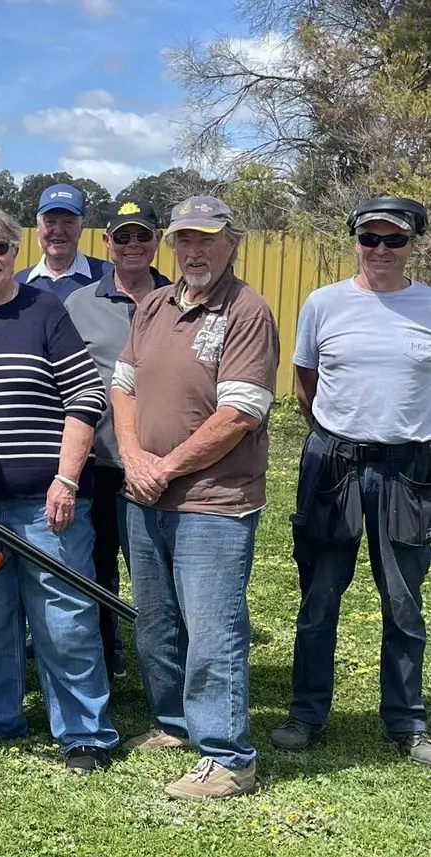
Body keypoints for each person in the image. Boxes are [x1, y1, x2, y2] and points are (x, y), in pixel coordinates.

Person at [0, 205, 118, 775]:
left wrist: (66, 479)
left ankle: (84, 731)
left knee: (64, 616)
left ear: (16, 251)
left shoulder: (47, 311)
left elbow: (88, 398)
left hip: (50, 501)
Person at [111, 196, 278, 799]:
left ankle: (228, 757)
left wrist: (166, 468)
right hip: (145, 494)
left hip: (213, 499)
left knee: (212, 629)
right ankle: (175, 725)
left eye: (206, 239)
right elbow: (121, 387)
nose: (194, 251)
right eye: (184, 240)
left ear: (231, 242)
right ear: (170, 245)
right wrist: (133, 458)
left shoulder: (246, 310)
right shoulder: (154, 304)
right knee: (157, 626)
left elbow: (240, 414)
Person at [270, 196, 431, 767]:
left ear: (414, 243)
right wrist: (333, 440)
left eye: (394, 240)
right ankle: (306, 713)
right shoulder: (324, 304)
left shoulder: (428, 306)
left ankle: (407, 721)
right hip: (333, 465)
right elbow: (304, 385)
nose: (380, 251)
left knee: (403, 601)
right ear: (355, 242)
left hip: (407, 470)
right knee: (318, 598)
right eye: (370, 240)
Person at [64, 201, 171, 682]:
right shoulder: (79, 303)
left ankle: (170, 668)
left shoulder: (181, 297)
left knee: (161, 576)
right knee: (97, 566)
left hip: (166, 464)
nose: (132, 246)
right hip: (101, 461)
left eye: (141, 236)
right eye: (122, 237)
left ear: (157, 240)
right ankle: (107, 659)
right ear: (105, 243)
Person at [15, 183, 108, 302]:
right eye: (50, 222)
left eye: (68, 222)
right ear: (38, 227)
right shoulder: (19, 283)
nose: (58, 231)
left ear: (81, 228)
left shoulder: (107, 277)